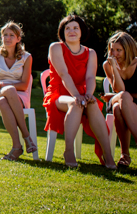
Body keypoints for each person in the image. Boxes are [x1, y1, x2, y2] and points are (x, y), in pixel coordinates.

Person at [43, 14, 116, 169]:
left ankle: (107, 154)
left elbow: (90, 77)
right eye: (67, 28)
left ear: (81, 31)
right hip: (58, 94)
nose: (72, 31)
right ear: (62, 32)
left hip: (82, 92)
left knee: (93, 104)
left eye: (75, 28)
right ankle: (69, 151)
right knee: (75, 104)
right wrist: (76, 96)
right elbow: (63, 74)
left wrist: (89, 94)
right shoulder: (56, 47)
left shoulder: (91, 53)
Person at [0, 21, 36, 161]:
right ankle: (27, 136)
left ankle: (16, 147)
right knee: (4, 94)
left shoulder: (27, 57)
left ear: (18, 39)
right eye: (5, 35)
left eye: (11, 35)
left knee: (4, 100)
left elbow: (24, 85)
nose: (7, 38)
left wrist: (5, 83)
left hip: (19, 96)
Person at [102, 31, 137, 167]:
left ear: (127, 50)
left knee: (119, 106)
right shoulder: (108, 65)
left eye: (119, 50)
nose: (114, 53)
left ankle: (125, 155)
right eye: (112, 49)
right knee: (122, 97)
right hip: (117, 98)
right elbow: (119, 89)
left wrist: (124, 96)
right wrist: (114, 69)